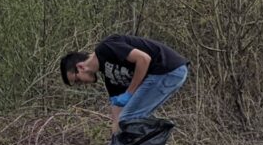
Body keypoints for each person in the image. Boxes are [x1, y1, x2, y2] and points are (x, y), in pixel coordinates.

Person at [59, 34, 189, 135]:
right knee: (126, 122)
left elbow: (143, 59)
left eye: (77, 80)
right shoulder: (108, 73)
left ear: (80, 67)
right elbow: (117, 107)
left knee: (130, 120)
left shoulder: (106, 48)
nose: (81, 84)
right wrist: (115, 136)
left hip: (166, 69)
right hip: (168, 73)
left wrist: (130, 92)